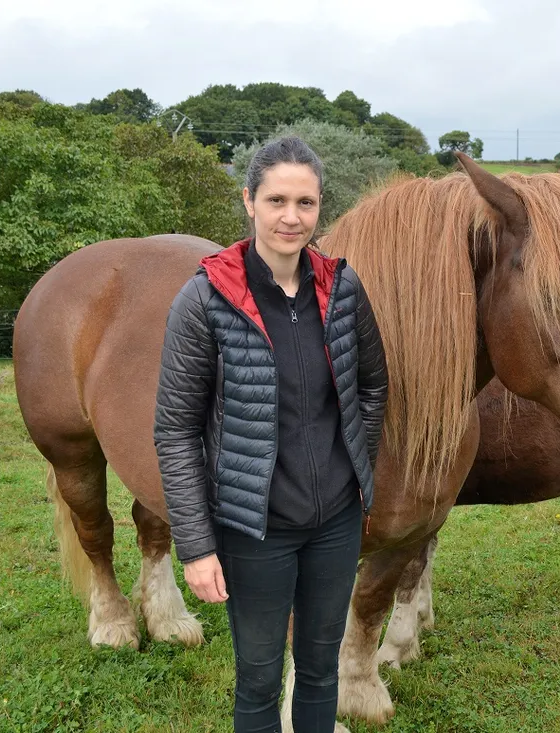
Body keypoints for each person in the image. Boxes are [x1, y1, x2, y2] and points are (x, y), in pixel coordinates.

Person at [153, 135, 388, 732]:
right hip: (254, 530)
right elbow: (176, 430)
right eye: (277, 200)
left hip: (335, 523)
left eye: (305, 203)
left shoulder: (343, 290)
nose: (292, 217)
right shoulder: (205, 299)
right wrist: (198, 547)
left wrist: (356, 472)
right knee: (258, 678)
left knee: (319, 668)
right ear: (249, 202)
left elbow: (373, 387)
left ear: (319, 208)